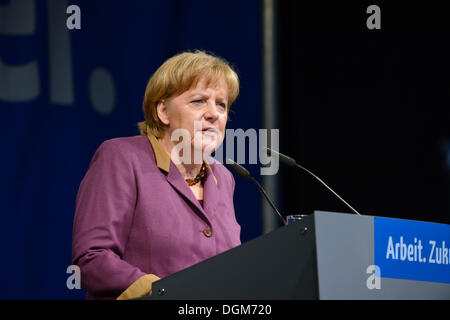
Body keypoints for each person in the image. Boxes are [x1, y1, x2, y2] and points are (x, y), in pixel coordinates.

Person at [71, 50, 242, 300]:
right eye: (198, 101)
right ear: (163, 111)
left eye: (221, 104)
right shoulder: (122, 157)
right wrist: (163, 293)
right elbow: (92, 257)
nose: (213, 113)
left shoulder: (223, 178)